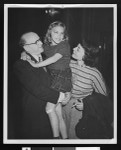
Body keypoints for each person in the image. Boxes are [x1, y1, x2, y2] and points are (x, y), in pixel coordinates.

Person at [13, 32, 68, 139]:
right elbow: (37, 89)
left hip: (53, 113)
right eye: (36, 42)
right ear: (26, 47)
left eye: (40, 39)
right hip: (37, 118)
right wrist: (61, 96)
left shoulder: (48, 57)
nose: (41, 43)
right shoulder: (21, 65)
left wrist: (67, 92)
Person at [25, 21, 72, 139]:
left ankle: (55, 139)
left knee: (49, 109)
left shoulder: (64, 44)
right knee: (58, 112)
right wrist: (23, 52)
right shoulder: (46, 46)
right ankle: (65, 139)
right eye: (56, 32)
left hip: (61, 77)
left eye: (62, 33)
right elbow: (33, 49)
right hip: (53, 77)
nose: (59, 36)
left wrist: (37, 65)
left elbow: (54, 59)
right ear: (49, 32)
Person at [63, 41, 113, 139]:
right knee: (63, 136)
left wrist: (86, 104)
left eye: (78, 49)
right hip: (64, 106)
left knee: (74, 137)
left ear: (86, 55)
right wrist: (25, 54)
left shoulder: (94, 73)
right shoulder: (68, 63)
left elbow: (103, 97)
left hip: (80, 110)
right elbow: (49, 59)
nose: (73, 49)